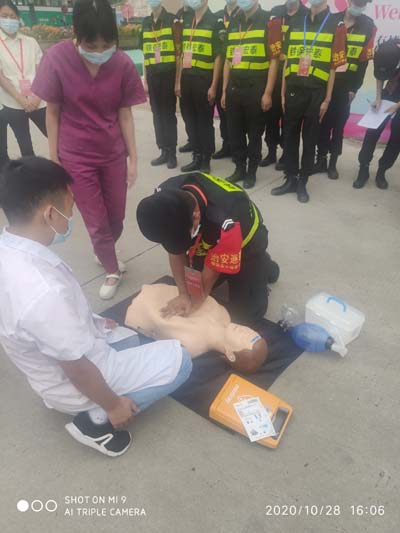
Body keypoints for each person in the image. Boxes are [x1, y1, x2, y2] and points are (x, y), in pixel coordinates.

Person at [0, 157, 192, 457]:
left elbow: (42, 325)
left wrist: (92, 322)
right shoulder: (41, 292)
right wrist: (113, 405)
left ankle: (95, 396)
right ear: (49, 213)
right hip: (73, 379)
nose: (71, 214)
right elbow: (76, 368)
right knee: (181, 360)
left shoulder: (10, 249)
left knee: (130, 338)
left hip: (54, 361)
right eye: (70, 206)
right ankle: (95, 421)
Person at [32, 0, 146, 300]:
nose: (99, 52)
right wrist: (54, 158)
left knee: (116, 217)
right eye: (91, 45)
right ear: (77, 35)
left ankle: (103, 248)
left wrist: (133, 158)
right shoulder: (57, 59)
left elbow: (125, 114)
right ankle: (111, 268)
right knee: (96, 220)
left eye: (107, 45)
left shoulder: (121, 63)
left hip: (112, 154)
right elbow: (52, 112)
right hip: (76, 156)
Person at [136, 172, 280, 327]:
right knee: (192, 287)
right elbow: (175, 253)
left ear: (196, 216)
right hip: (209, 239)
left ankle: (263, 265)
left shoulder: (226, 220)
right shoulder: (163, 200)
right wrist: (183, 294)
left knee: (246, 313)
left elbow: (211, 272)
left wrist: (193, 304)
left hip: (246, 244)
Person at [271, 0, 347, 203]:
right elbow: (287, 60)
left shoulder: (336, 25)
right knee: (289, 136)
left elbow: (333, 67)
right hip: (293, 90)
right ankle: (290, 178)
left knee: (310, 139)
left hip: (317, 93)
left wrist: (327, 99)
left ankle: (302, 182)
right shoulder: (297, 21)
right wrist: (283, 92)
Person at [126, 284, 269, 374]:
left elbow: (157, 318)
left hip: (142, 306)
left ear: (231, 355)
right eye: (252, 332)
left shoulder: (191, 345)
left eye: (244, 338)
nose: (245, 331)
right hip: (160, 292)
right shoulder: (224, 315)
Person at [221, 0, 282, 189]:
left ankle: (251, 171)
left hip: (256, 89)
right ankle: (239, 168)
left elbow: (274, 61)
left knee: (254, 134)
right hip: (234, 89)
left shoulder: (270, 21)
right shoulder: (234, 21)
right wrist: (224, 90)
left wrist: (268, 93)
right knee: (235, 132)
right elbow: (228, 60)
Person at [314, 0, 376, 180]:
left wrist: (354, 89)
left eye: (362, 4)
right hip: (325, 82)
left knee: (338, 127)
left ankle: (332, 163)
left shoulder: (368, 25)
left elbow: (363, 63)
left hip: (346, 87)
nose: (359, 6)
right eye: (356, 2)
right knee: (322, 124)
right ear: (348, 1)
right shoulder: (331, 20)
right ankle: (321, 160)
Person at [259, 0, 308, 170]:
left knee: (289, 118)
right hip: (273, 72)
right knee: (271, 117)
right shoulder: (275, 11)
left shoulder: (306, 15)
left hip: (294, 74)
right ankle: (271, 152)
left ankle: (286, 154)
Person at [177, 0, 224, 173]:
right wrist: (178, 81)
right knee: (190, 120)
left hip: (204, 80)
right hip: (187, 78)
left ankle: (205, 158)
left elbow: (219, 57)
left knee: (204, 121)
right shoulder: (187, 19)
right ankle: (196, 155)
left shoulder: (215, 22)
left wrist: (214, 85)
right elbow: (182, 53)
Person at [0, 0, 47, 168]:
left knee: (55, 134)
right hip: (13, 103)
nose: (9, 20)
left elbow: (42, 70)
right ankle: (32, 178)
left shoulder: (30, 42)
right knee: (25, 145)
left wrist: (37, 96)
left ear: (18, 18)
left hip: (37, 99)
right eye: (4, 16)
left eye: (12, 16)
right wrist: (21, 99)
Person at [354, 37, 400, 189]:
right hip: (391, 90)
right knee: (373, 129)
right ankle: (363, 168)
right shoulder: (385, 50)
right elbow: (380, 76)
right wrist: (379, 98)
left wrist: (397, 105)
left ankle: (382, 171)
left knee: (397, 136)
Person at [140, 0, 181, 169]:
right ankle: (163, 150)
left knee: (168, 115)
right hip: (153, 76)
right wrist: (145, 79)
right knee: (157, 114)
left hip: (168, 76)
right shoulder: (145, 23)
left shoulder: (173, 20)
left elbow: (178, 54)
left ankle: (172, 153)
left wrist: (177, 81)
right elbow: (145, 54)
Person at [212, 0, 240, 160]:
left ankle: (238, 147)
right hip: (219, 70)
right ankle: (226, 144)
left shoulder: (244, 15)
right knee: (223, 113)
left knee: (237, 115)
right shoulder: (217, 17)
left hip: (237, 72)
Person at [175, 0, 194, 154]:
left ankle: (200, 144)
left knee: (198, 114)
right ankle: (192, 139)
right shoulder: (179, 15)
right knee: (186, 110)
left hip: (198, 72)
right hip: (184, 65)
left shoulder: (196, 14)